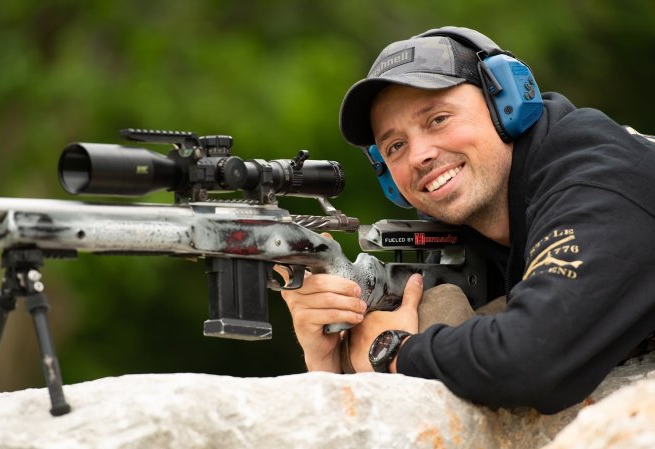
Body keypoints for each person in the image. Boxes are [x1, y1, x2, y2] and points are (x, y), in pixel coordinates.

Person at [280, 26, 655, 414]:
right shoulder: (457, 231)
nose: (419, 156)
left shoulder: (597, 179)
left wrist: (391, 348)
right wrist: (327, 362)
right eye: (396, 146)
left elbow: (530, 363)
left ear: (505, 104)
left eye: (438, 119)